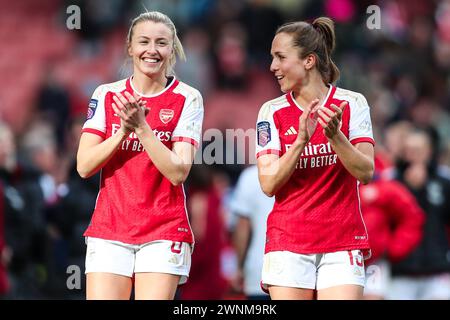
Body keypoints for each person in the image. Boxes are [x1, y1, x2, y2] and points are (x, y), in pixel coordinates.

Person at [76, 11, 204, 300]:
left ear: (172, 49)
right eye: (144, 41)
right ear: (130, 47)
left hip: (164, 229)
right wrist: (122, 132)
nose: (152, 50)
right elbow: (84, 166)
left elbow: (178, 171)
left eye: (161, 43)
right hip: (110, 227)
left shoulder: (188, 97)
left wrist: (142, 128)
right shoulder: (106, 95)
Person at [255, 17, 375, 300]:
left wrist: (335, 136)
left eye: (280, 57)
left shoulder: (352, 103)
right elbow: (269, 183)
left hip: (342, 240)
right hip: (289, 242)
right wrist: (300, 141)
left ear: (308, 61)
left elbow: (366, 172)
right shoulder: (270, 112)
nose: (272, 67)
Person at [229, 165, 273, 300]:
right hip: (299, 270)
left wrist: (238, 267)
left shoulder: (250, 176)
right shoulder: (306, 170)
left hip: (259, 268)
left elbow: (242, 228)